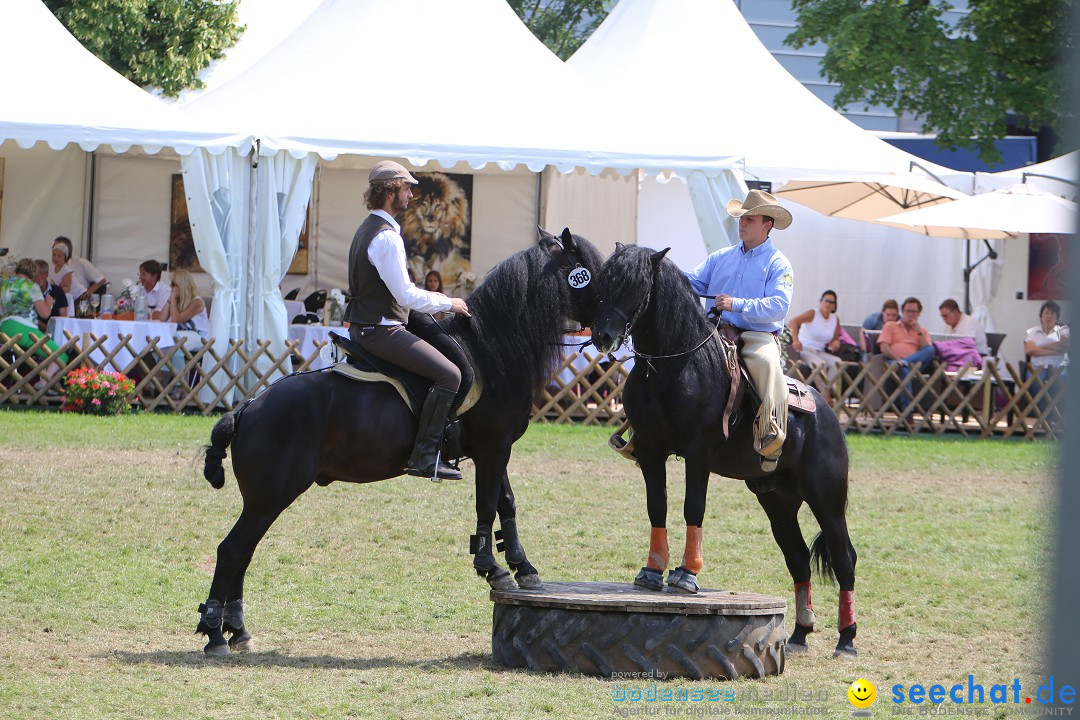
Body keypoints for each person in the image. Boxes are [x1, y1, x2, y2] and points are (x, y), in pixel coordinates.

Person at [344, 160, 472, 481]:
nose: (411, 194)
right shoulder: (387, 238)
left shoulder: (367, 228)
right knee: (450, 376)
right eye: (406, 188)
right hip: (382, 331)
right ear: (390, 192)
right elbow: (406, 296)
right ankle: (425, 456)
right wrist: (450, 302)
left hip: (368, 326)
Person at [686, 189, 794, 472]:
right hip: (714, 329)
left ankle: (772, 434)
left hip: (757, 335)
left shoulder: (778, 263)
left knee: (768, 363)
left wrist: (737, 304)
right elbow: (693, 282)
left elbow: (779, 306)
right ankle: (643, 425)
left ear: (767, 225)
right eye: (741, 218)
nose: (742, 223)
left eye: (750, 218)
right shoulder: (720, 257)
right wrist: (660, 268)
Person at [0, 258, 68, 385]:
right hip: (23, 330)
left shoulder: (3, 284)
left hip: (3, 328)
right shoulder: (32, 286)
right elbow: (45, 313)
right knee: (61, 355)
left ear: (16, 270)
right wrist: (49, 302)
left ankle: (52, 385)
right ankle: (44, 382)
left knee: (45, 352)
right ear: (32, 275)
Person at [878, 297, 933, 409]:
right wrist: (898, 360)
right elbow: (884, 347)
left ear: (919, 314)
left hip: (915, 365)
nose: (911, 314)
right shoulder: (891, 326)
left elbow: (925, 350)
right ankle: (907, 410)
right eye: (908, 311)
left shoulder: (922, 331)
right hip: (893, 362)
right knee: (904, 369)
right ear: (902, 312)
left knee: (930, 349)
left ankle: (905, 363)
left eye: (914, 312)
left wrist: (919, 332)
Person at [789, 290, 842, 407]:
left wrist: (836, 343)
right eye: (825, 300)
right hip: (805, 349)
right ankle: (826, 397)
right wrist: (796, 340)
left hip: (821, 351)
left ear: (834, 305)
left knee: (837, 362)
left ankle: (828, 391)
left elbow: (835, 338)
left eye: (831, 302)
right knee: (819, 363)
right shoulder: (813, 313)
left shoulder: (835, 319)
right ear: (821, 302)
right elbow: (793, 321)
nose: (828, 304)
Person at [51, 236, 106, 301]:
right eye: (54, 247)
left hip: (80, 301)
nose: (56, 249)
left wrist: (87, 294)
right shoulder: (52, 268)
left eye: (60, 247)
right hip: (64, 302)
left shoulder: (81, 263)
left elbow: (101, 280)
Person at [1025, 301, 1069, 374]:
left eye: (1052, 313)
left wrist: (1040, 347)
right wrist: (1055, 351)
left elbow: (1064, 345)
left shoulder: (1063, 331)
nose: (1049, 316)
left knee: (1063, 381)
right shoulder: (1032, 332)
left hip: (1057, 367)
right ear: (1041, 317)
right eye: (1046, 313)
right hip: (1037, 367)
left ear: (1057, 318)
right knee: (1034, 384)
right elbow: (1030, 350)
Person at [162, 269, 210, 338]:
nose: (170, 286)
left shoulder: (197, 302)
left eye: (173, 284)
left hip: (198, 336)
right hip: (181, 335)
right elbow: (163, 318)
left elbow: (176, 319)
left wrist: (173, 298)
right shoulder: (178, 300)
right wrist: (170, 299)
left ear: (181, 286)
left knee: (170, 337)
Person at [33, 259, 68, 329]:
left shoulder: (58, 291)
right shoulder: (28, 291)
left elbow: (63, 317)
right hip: (33, 330)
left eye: (36, 275)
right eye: (31, 275)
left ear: (46, 275)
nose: (33, 278)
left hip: (54, 331)